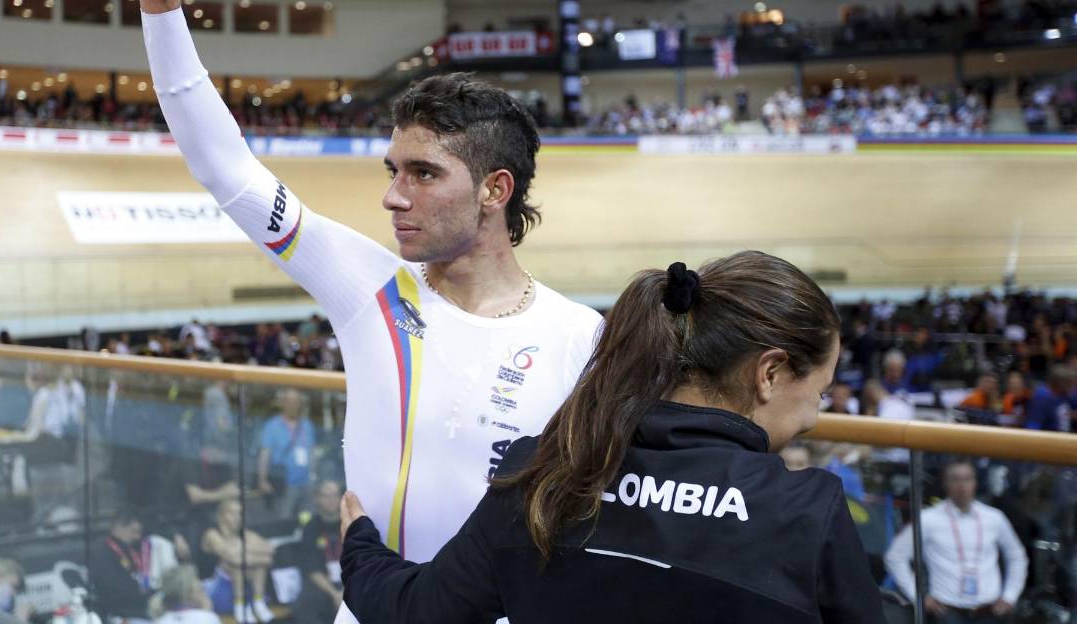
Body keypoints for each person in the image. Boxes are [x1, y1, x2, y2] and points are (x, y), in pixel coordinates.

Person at [135, 0, 602, 624]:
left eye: (423, 174)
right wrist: (160, 7)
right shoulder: (371, 288)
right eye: (393, 170)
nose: (392, 195)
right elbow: (228, 171)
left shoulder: (583, 338)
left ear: (495, 190)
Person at [338, 252, 884, 623]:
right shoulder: (805, 513)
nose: (813, 418)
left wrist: (360, 548)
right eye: (818, 393)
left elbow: (416, 610)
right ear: (769, 373)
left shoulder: (541, 474)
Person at [885, 458, 1027, 622]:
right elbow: (895, 557)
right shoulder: (928, 519)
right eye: (955, 480)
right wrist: (917, 596)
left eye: (967, 479)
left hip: (989, 611)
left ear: (975, 482)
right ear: (946, 483)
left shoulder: (994, 517)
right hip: (947, 611)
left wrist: (1010, 595)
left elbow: (1017, 556)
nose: (962, 486)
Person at [201, 498, 275, 624]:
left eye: (240, 513)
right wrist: (253, 555)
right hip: (217, 591)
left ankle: (258, 603)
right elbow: (232, 558)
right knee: (237, 566)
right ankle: (240, 607)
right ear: (221, 516)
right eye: (232, 513)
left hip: (248, 591)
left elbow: (269, 553)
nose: (237, 517)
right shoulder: (212, 534)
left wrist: (244, 555)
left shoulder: (246, 534)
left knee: (258, 566)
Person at [257, 389, 316, 520]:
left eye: (296, 402)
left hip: (306, 482)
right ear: (283, 403)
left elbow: (312, 453)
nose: (292, 405)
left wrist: (314, 476)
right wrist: (262, 480)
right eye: (289, 401)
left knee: (308, 517)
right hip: (284, 483)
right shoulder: (272, 426)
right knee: (284, 518)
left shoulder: (307, 426)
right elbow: (265, 454)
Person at [294, 480, 346, 623]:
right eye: (326, 496)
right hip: (323, 584)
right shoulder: (310, 528)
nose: (331, 500)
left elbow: (361, 562)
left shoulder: (351, 524)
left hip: (350, 582)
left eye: (335, 495)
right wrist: (335, 594)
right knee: (305, 605)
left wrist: (345, 591)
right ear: (317, 499)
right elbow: (312, 568)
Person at [152, 566, 220, 624]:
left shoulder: (160, 621)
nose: (201, 584)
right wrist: (207, 612)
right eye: (201, 589)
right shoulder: (207, 619)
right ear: (190, 594)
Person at [1024, 365, 1074, 431]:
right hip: (1048, 435)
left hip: (1066, 435)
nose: (1072, 385)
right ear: (1059, 382)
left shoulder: (1065, 395)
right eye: (1069, 382)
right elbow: (1033, 425)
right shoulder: (1041, 397)